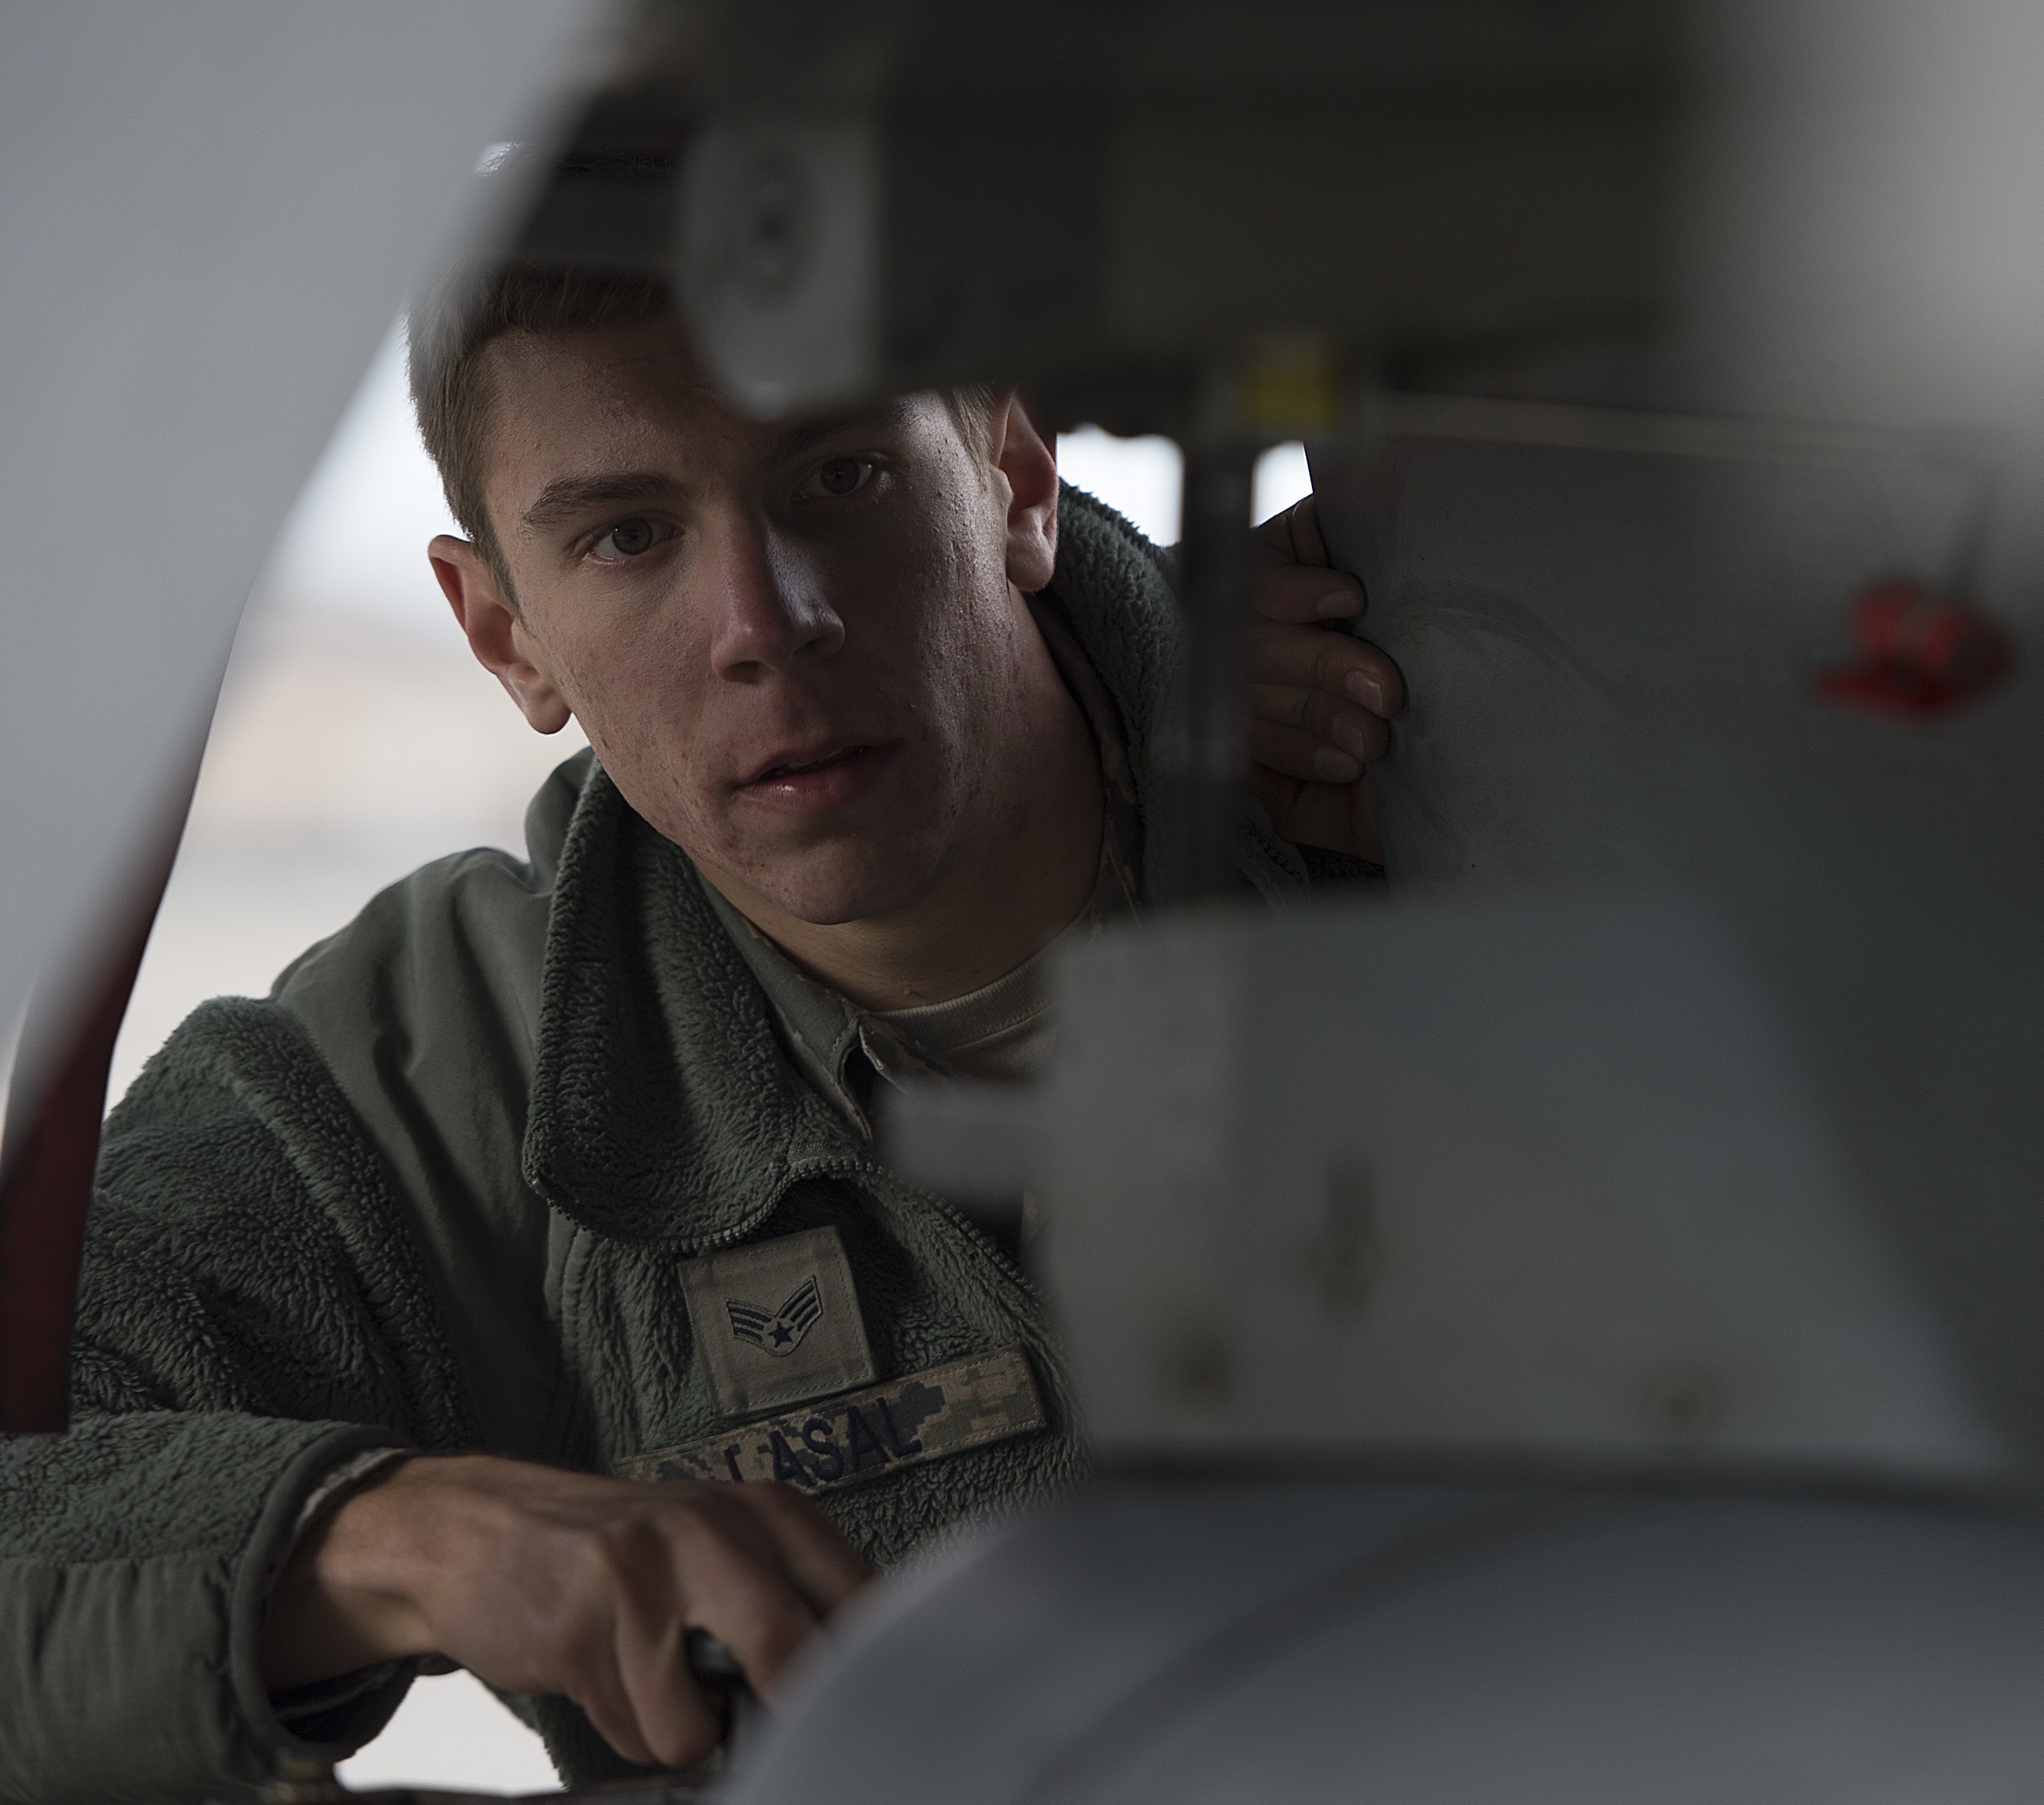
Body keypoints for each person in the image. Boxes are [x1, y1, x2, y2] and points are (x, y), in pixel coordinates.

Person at [0, 263, 1405, 1800]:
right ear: (503, 635)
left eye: (842, 476)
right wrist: (398, 1539)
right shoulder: (440, 1061)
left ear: (1012, 476)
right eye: (626, 535)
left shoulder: (1423, 754)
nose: (765, 623)